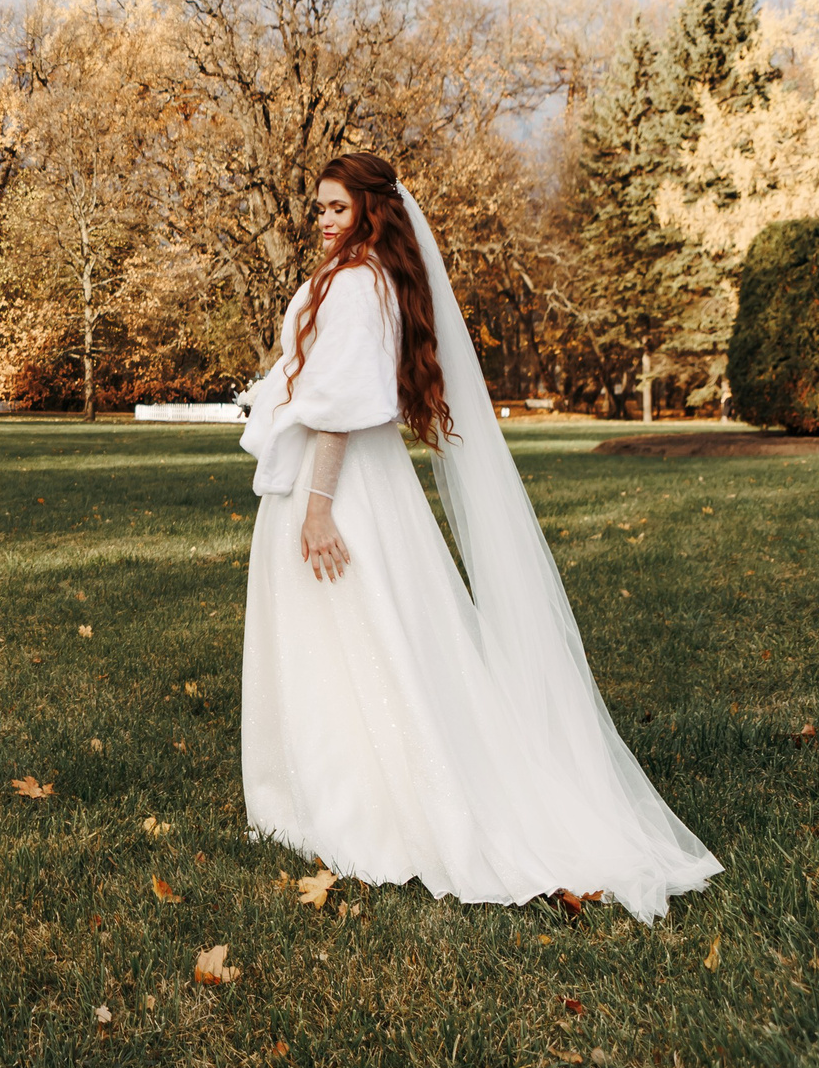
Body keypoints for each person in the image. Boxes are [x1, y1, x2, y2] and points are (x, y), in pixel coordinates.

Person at [236, 152, 720, 923]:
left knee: (358, 636)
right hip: (346, 482)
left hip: (343, 487)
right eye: (318, 209)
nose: (323, 221)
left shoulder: (362, 286)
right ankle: (325, 785)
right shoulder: (355, 278)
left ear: (371, 210)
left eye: (336, 208)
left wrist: (319, 505)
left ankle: (364, 799)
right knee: (344, 636)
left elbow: (340, 406)